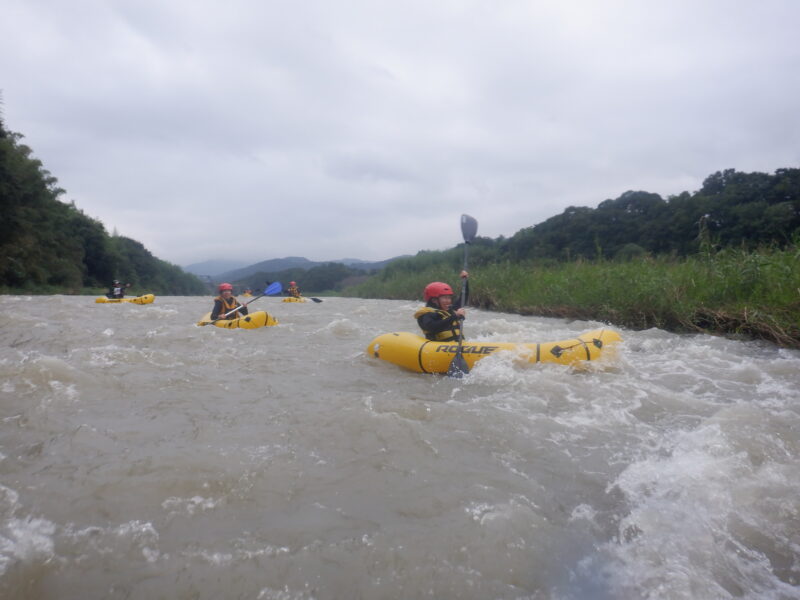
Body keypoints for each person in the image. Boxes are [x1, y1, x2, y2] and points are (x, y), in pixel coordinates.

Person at [414, 271, 469, 341]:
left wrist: (465, 282)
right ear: (434, 300)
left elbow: (463, 298)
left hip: (457, 346)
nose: (448, 301)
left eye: (449, 298)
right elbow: (432, 327)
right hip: (437, 349)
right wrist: (455, 316)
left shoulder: (449, 310)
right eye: (445, 298)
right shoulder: (427, 314)